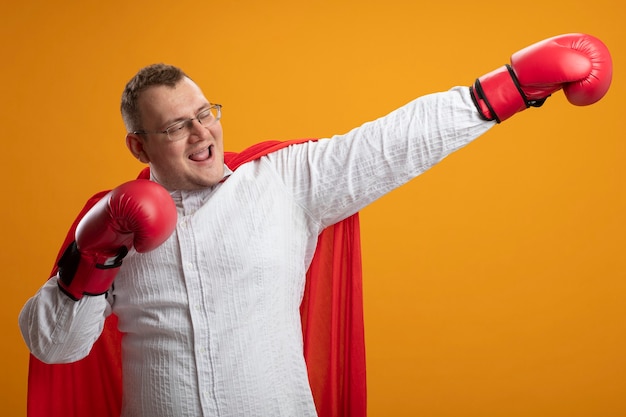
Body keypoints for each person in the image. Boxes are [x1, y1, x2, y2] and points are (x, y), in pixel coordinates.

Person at [19, 33, 612, 417]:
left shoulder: (284, 180)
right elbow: (57, 347)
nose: (202, 133)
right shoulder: (108, 225)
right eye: (176, 127)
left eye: (205, 114)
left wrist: (505, 89)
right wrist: (93, 258)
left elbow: (391, 142)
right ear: (138, 144)